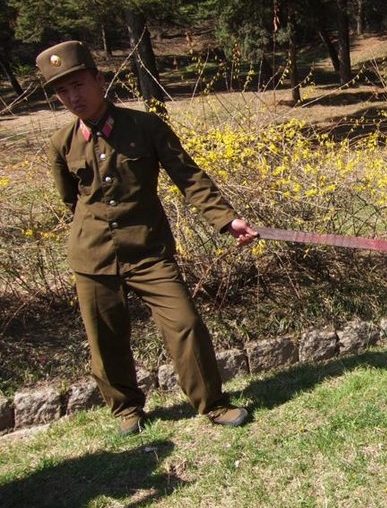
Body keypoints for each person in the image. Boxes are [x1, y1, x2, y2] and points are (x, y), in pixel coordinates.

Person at [36, 40, 259, 436]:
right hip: (92, 257)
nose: (73, 96)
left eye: (79, 85)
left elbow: (189, 178)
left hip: (149, 253)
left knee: (185, 323)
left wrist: (227, 220)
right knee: (105, 341)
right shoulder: (60, 144)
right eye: (62, 90)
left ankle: (214, 403)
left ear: (99, 80)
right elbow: (72, 201)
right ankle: (126, 410)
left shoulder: (146, 127)